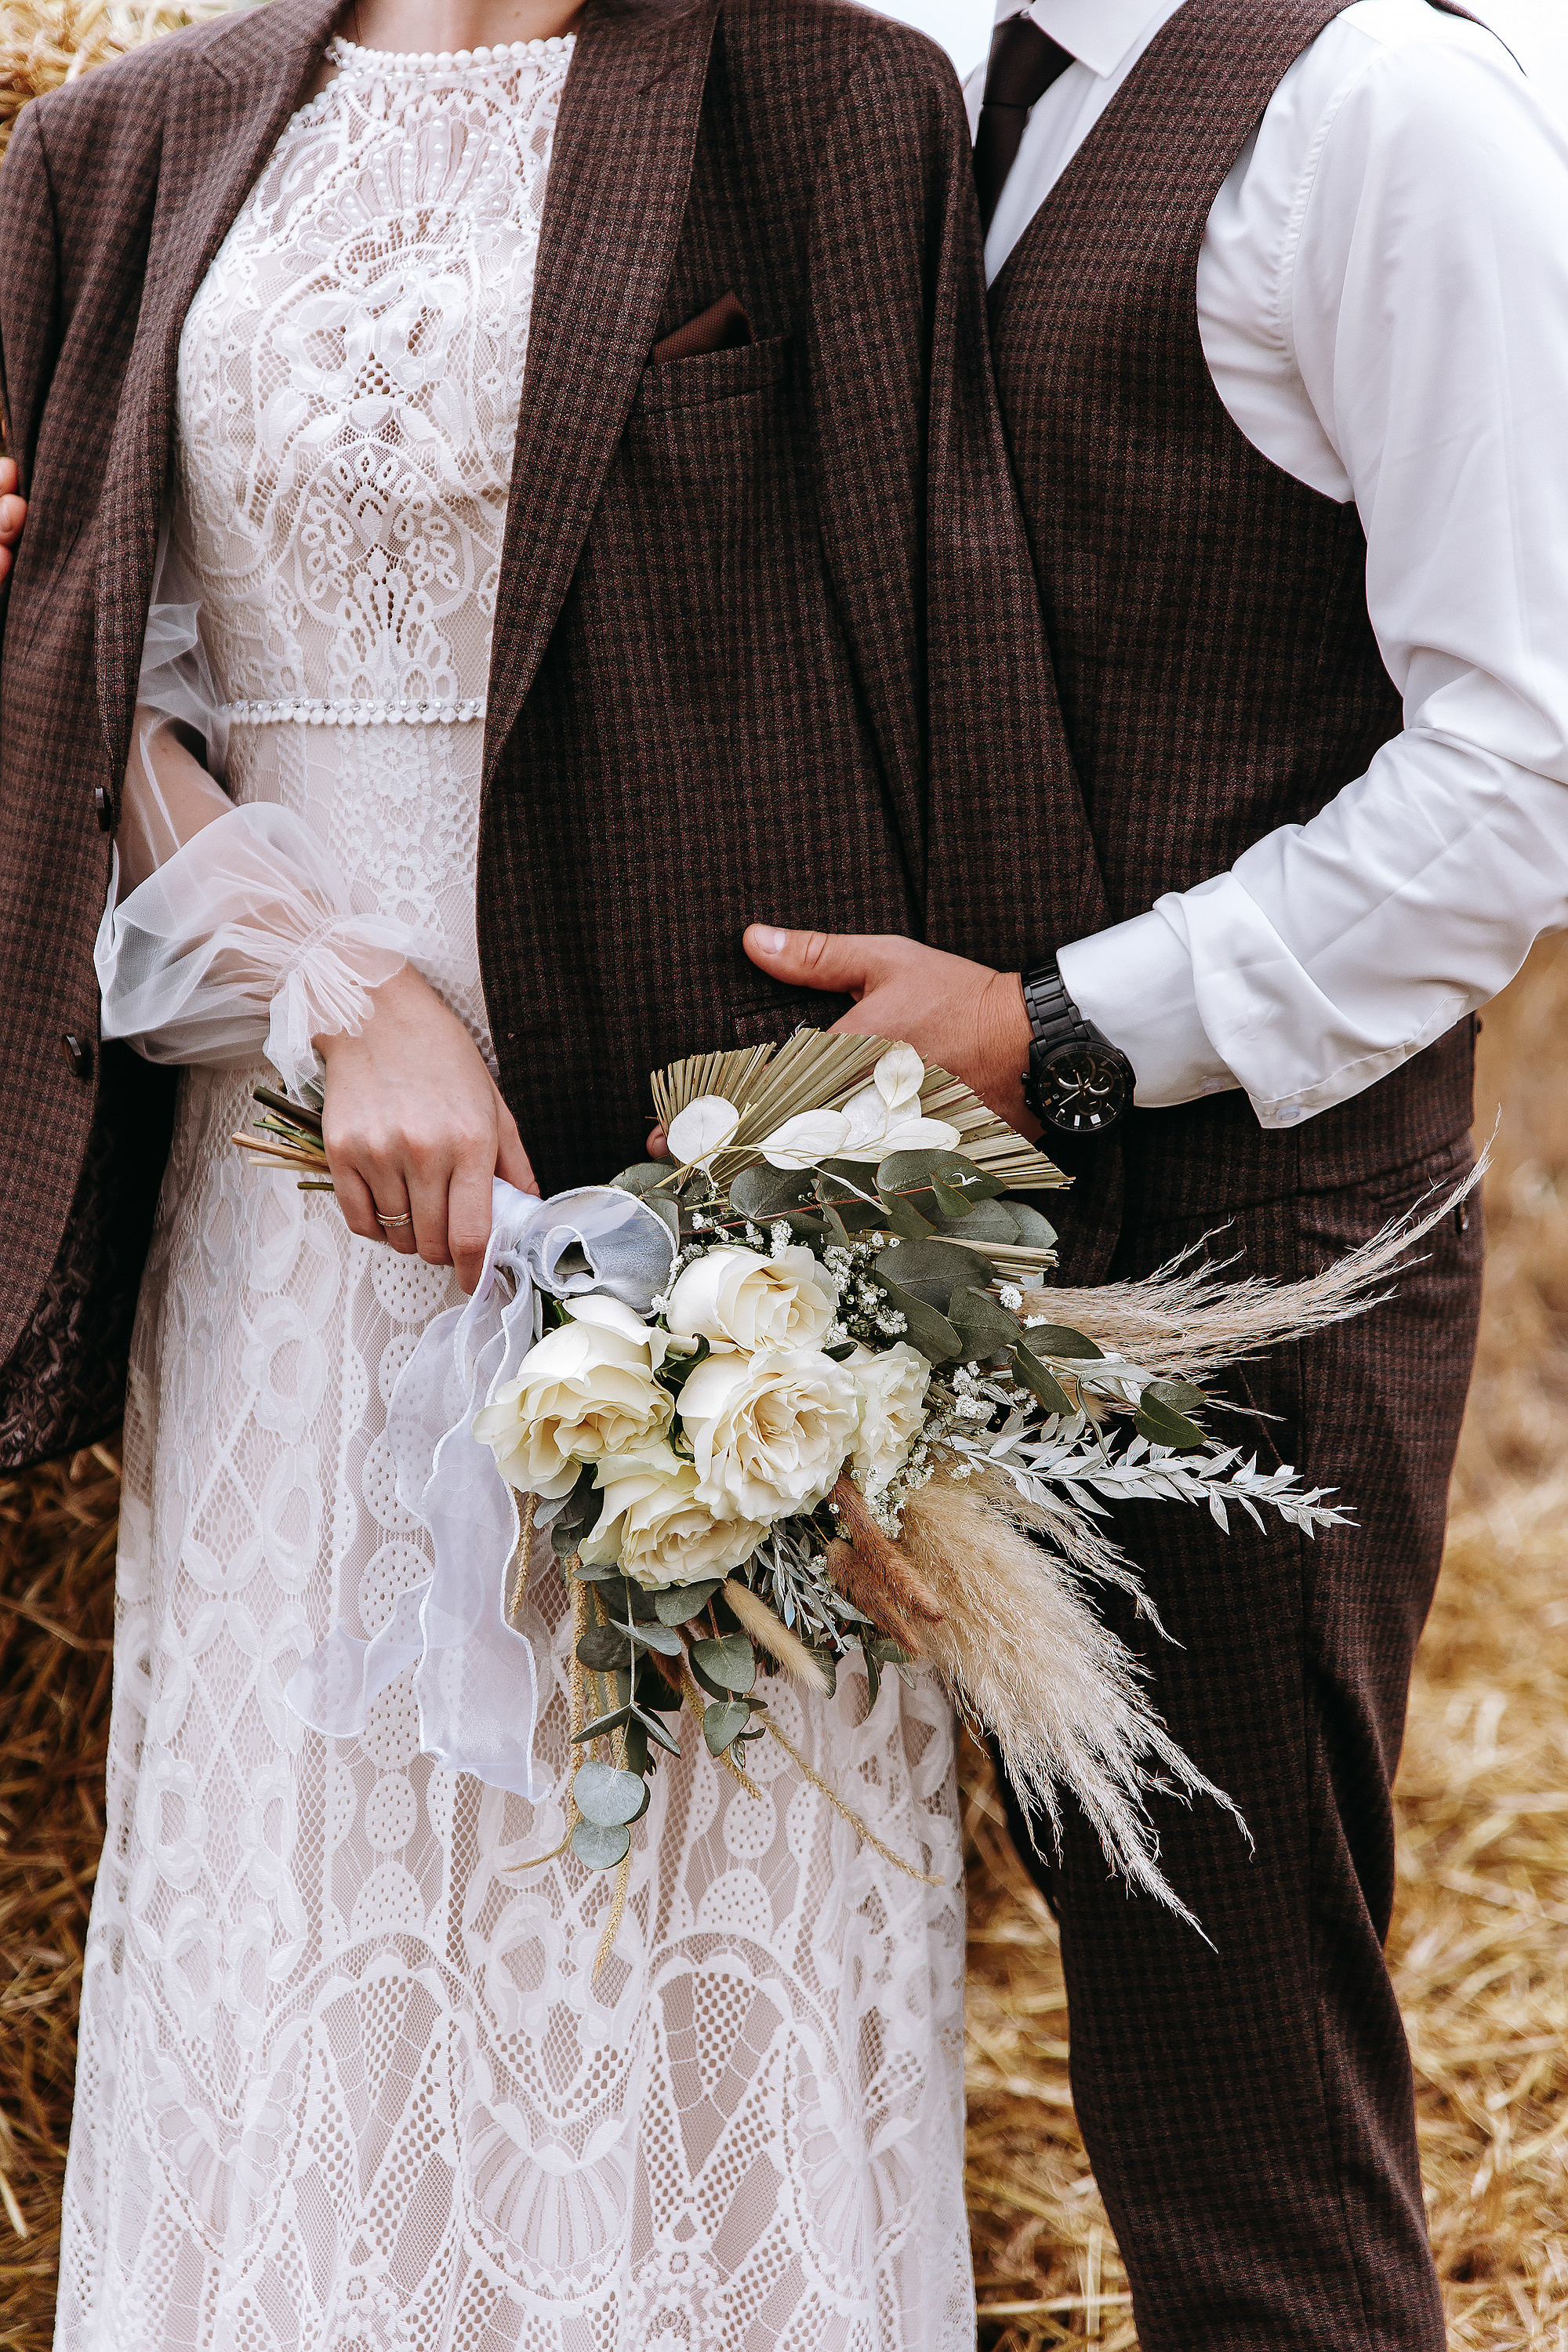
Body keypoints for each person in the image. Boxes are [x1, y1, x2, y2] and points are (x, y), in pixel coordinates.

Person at [0, 2, 1109, 2342]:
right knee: (320, 1939)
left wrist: (961, 1270)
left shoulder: (834, 101)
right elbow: (80, 679)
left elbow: (945, 639)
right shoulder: (125, 142)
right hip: (283, 1221)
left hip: (708, 1225)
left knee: (698, 1949)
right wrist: (324, 979)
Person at [732, 1, 1568, 2345]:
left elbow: (1527, 763)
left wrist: (1073, 1034)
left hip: (1255, 1285)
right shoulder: (904, 85)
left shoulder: (1383, 112)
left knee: (1233, 2116)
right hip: (902, 1278)